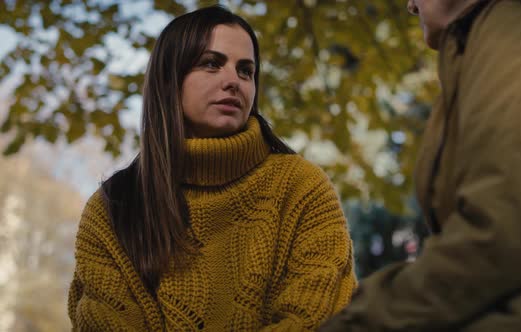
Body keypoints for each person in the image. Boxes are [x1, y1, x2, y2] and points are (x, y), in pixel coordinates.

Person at [67, 5, 356, 331]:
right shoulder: (114, 209)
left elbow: (318, 318)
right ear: (169, 79)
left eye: (246, 71)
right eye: (211, 64)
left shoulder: (301, 188)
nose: (234, 81)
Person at [319, 0, 521, 331]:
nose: (409, 5)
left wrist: (357, 322)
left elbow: (510, 227)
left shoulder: (520, 27)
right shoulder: (486, 41)